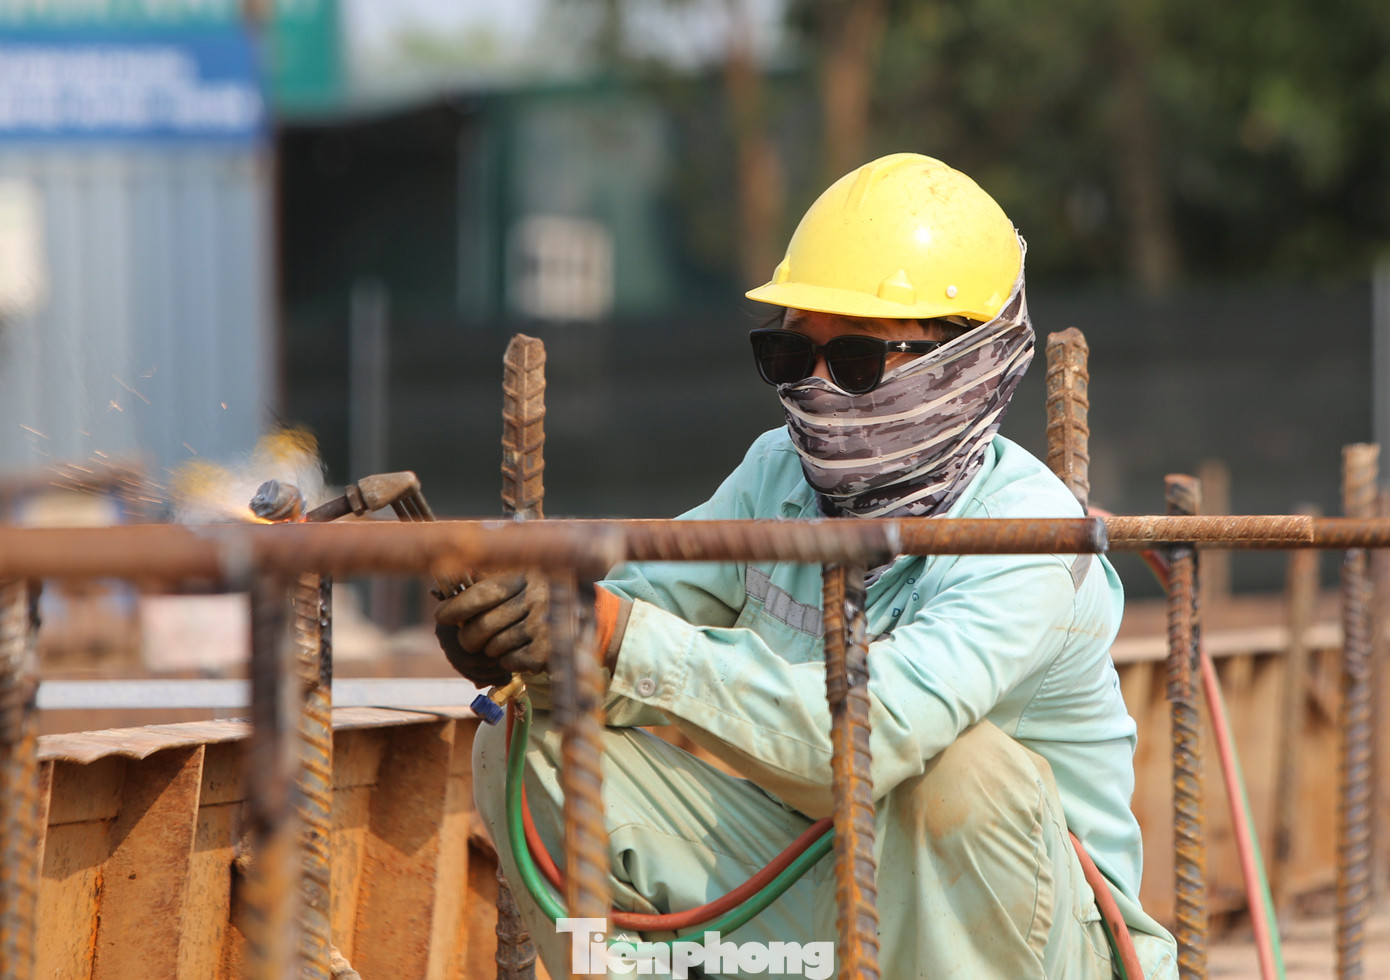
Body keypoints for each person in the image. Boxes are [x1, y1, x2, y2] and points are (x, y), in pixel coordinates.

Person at [438, 152, 1178, 978]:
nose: (818, 391)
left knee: (957, 774)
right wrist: (536, 639)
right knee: (526, 742)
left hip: (1034, 936)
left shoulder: (1029, 536)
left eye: (857, 360)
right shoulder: (777, 474)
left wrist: (611, 633)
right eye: (793, 358)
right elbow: (641, 608)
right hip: (833, 882)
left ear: (967, 360)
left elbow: (868, 739)